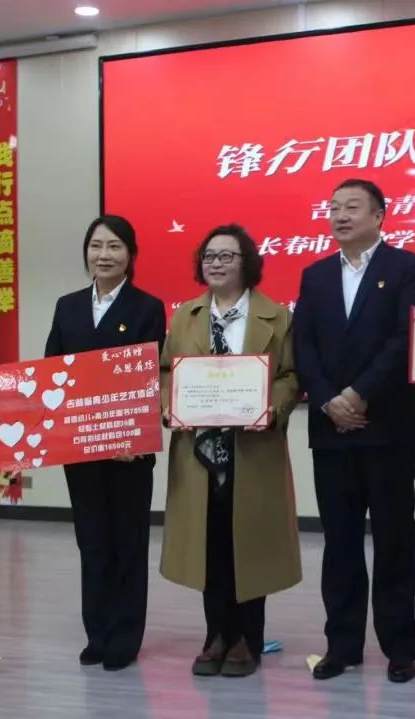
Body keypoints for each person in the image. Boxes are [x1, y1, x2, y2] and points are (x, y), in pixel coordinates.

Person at [292, 178, 415, 683]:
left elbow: (406, 336)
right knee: (340, 542)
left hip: (387, 426)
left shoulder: (407, 267)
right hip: (331, 429)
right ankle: (342, 644)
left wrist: (360, 393)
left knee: (394, 540)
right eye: (333, 208)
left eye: (352, 207)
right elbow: (303, 345)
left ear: (379, 216)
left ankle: (400, 646)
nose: (340, 215)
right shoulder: (315, 275)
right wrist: (329, 399)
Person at [159, 224, 301, 678]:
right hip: (200, 453)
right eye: (209, 256)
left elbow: (291, 376)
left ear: (247, 263)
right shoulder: (185, 316)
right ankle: (215, 635)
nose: (216, 264)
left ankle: (246, 640)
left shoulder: (276, 316)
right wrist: (168, 404)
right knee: (211, 544)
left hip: (253, 448)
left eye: (226, 256)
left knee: (249, 544)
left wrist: (271, 406)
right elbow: (166, 371)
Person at [44, 214, 166, 671]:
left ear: (130, 255)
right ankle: (97, 633)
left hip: (128, 452)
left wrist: (133, 432)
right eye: (96, 246)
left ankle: (125, 638)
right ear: (86, 253)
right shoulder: (67, 306)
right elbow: (51, 374)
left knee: (127, 544)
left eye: (115, 246)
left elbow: (149, 377)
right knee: (92, 542)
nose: (104, 255)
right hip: (79, 449)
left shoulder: (147, 307)